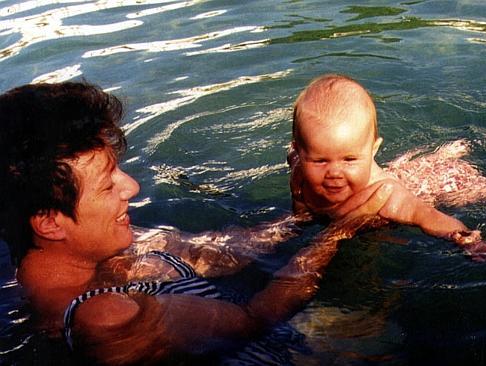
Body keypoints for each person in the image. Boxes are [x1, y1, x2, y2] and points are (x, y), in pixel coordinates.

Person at [0, 81, 391, 365]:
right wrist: (341, 230)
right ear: (49, 223)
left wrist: (301, 218)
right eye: (107, 185)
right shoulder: (102, 317)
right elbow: (256, 319)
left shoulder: (89, 249)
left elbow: (217, 253)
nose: (132, 187)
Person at [288, 75, 486, 261]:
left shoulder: (386, 196)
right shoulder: (299, 168)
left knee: (482, 190)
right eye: (320, 160)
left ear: (373, 151)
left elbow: (426, 215)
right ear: (300, 150)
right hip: (403, 173)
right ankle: (447, 151)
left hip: (431, 187)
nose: (334, 172)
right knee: (414, 168)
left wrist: (464, 238)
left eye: (349, 160)